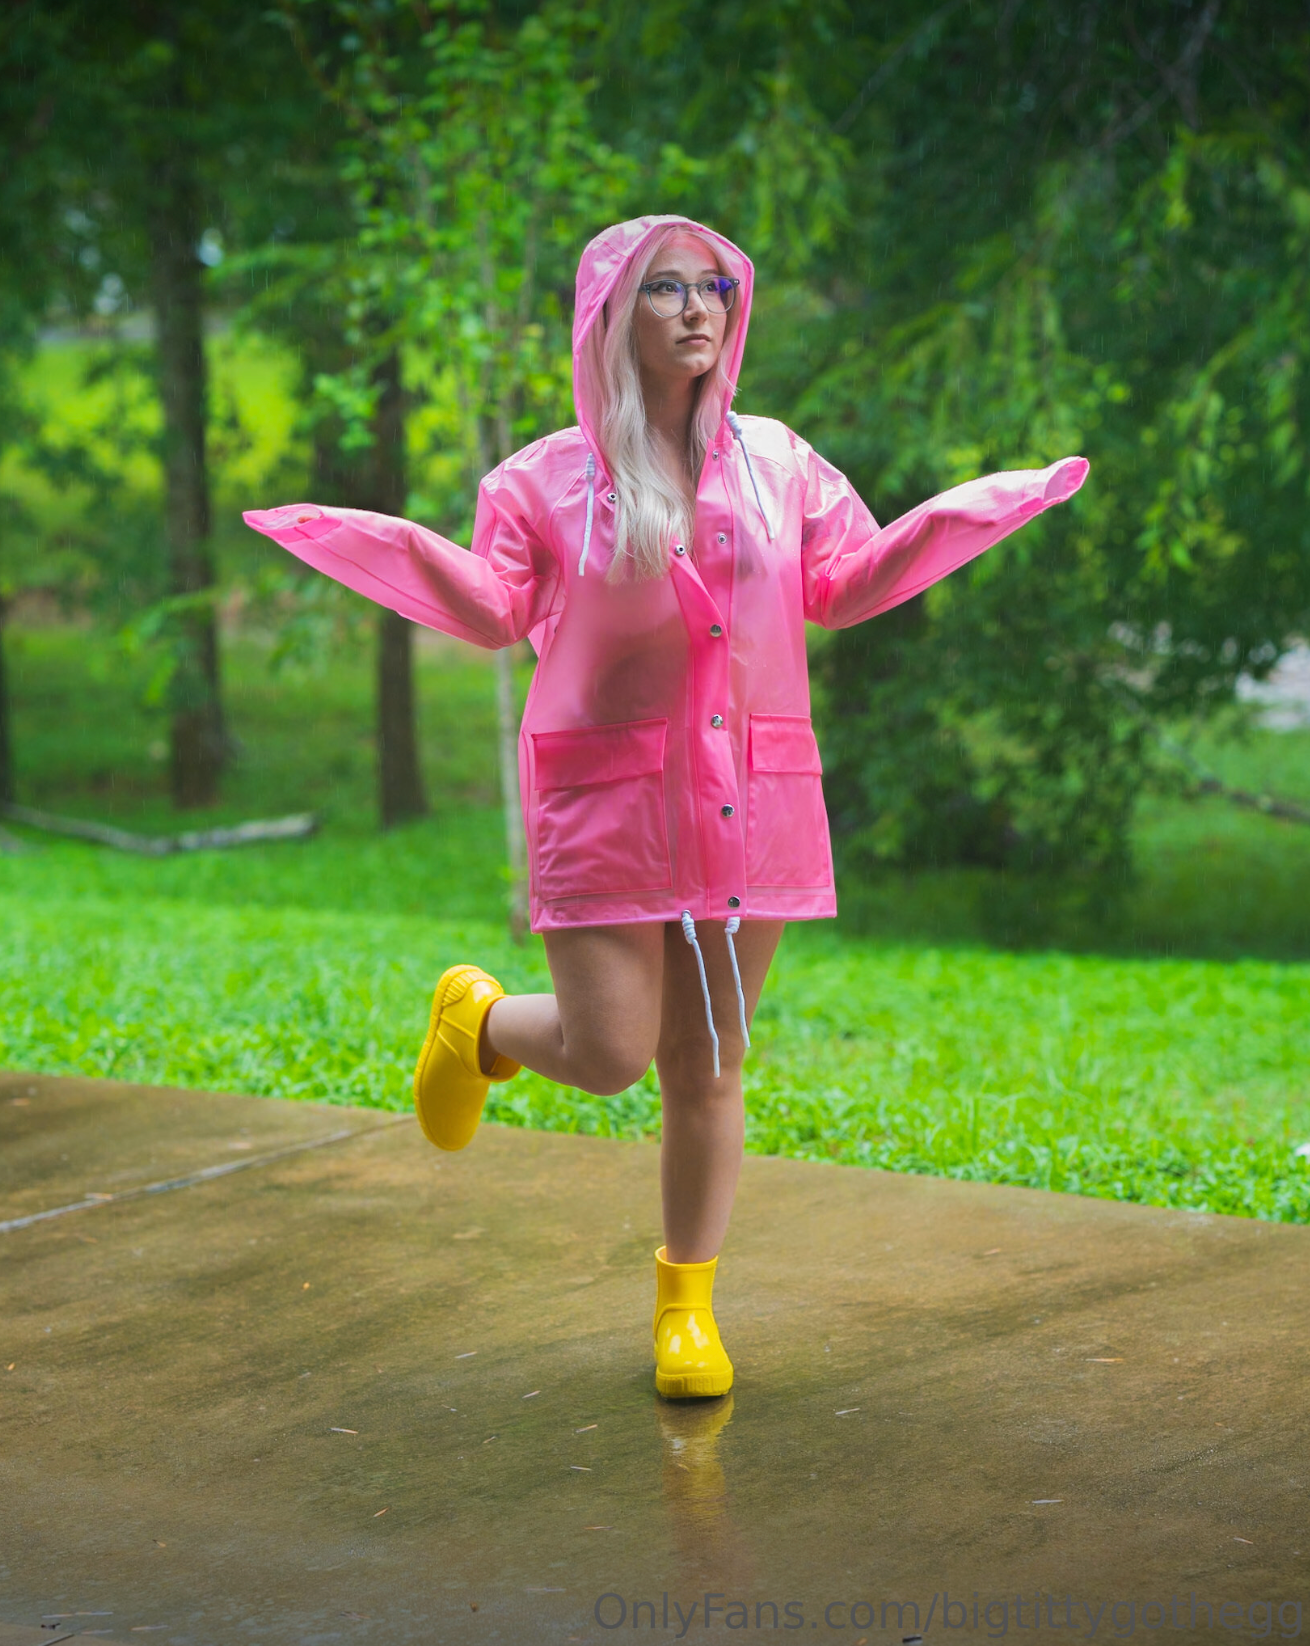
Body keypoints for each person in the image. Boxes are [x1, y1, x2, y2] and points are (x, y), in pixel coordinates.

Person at [244, 214, 1088, 1402]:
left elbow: (842, 584)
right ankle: (479, 1022)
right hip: (607, 798)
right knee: (607, 1054)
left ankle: (685, 1307)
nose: (696, 307)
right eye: (663, 288)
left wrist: (972, 511)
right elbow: (493, 608)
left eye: (712, 287)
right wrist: (381, 545)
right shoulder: (539, 480)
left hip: (748, 795)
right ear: (609, 317)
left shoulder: (780, 462)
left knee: (706, 1066)